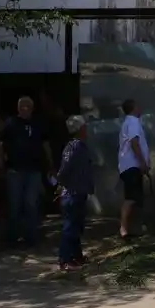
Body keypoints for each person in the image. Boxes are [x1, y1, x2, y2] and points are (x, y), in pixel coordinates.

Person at [0, 96, 53, 248]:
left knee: (31, 204)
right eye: (22, 106)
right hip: (14, 170)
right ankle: (12, 238)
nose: (24, 108)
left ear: (32, 108)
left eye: (28, 106)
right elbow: (1, 146)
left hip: (34, 170)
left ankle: (31, 237)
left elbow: (46, 145)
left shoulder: (38, 123)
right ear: (17, 108)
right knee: (14, 205)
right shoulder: (11, 123)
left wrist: (50, 165)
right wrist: (2, 166)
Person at [57, 115, 93, 272]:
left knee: (77, 226)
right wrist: (62, 183)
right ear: (80, 129)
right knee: (70, 226)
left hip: (79, 191)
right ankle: (65, 259)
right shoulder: (74, 147)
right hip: (72, 192)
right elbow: (64, 170)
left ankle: (76, 256)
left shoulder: (80, 146)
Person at [117, 99, 150, 242]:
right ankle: (124, 228)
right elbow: (134, 143)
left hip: (130, 165)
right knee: (131, 198)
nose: (140, 107)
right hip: (132, 165)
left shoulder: (129, 122)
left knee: (136, 198)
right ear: (133, 108)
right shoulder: (133, 122)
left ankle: (134, 228)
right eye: (138, 105)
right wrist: (142, 162)